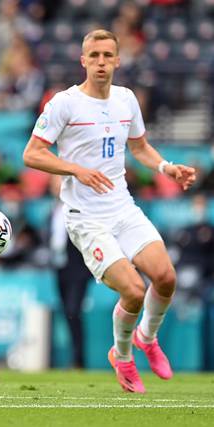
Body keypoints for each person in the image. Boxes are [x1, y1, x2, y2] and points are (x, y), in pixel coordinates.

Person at [23, 29, 196, 393]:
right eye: (94, 56)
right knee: (133, 290)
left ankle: (147, 338)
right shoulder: (64, 104)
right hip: (86, 219)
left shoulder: (126, 100)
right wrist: (76, 169)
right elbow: (32, 154)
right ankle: (122, 356)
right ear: (83, 61)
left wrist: (167, 167)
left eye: (107, 56)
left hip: (122, 207)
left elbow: (141, 146)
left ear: (118, 60)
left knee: (165, 278)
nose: (101, 62)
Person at [48, 174, 91, 369]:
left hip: (78, 270)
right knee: (67, 312)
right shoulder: (53, 210)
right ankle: (74, 357)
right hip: (60, 268)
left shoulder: (77, 209)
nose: (54, 186)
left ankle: (78, 359)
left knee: (74, 311)